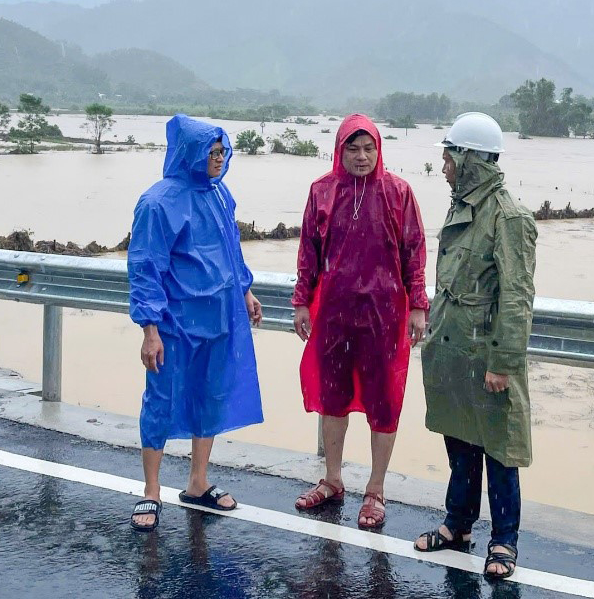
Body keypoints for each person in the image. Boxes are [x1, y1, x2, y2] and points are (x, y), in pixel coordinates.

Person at [415, 112, 537, 580]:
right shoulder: (462, 204)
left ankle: (504, 540)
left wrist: (503, 362)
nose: (444, 166)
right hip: (453, 348)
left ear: (470, 159)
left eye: (449, 156)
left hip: (486, 352)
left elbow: (517, 295)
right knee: (460, 441)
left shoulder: (508, 216)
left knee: (499, 450)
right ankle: (457, 526)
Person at [128, 114, 264, 531]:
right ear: (191, 153)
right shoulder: (158, 202)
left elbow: (231, 248)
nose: (219, 160)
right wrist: (150, 329)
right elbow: (146, 267)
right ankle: (151, 491)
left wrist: (245, 290)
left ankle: (197, 482)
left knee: (211, 395)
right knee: (162, 401)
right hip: (175, 322)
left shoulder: (220, 195)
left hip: (220, 317)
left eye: (223, 152)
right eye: (212, 152)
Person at [291, 114, 428, 529]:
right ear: (340, 150)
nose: (362, 156)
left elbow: (414, 252)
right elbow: (308, 253)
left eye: (369, 148)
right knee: (333, 397)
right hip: (333, 312)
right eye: (353, 148)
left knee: (383, 400)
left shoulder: (398, 193)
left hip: (385, 314)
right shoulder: (322, 192)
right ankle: (332, 479)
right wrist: (301, 302)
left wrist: (418, 305)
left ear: (379, 150)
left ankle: (375, 489)